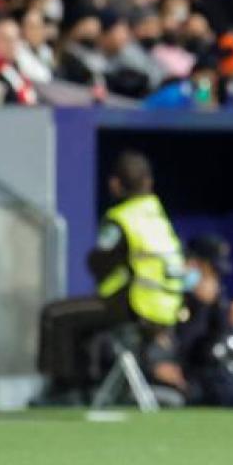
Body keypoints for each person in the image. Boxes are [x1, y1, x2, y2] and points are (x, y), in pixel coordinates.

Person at [36, 151, 185, 401]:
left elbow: (100, 262)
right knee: (82, 319)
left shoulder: (122, 218)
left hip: (136, 303)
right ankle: (87, 382)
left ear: (116, 183)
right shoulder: (156, 215)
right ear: (148, 183)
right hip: (165, 307)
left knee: (55, 315)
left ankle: (63, 391)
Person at [159, 235, 233, 407]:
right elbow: (182, 344)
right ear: (192, 264)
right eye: (209, 270)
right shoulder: (172, 294)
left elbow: (217, 341)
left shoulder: (215, 299)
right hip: (182, 368)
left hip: (206, 368)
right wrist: (200, 305)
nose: (213, 278)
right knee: (219, 386)